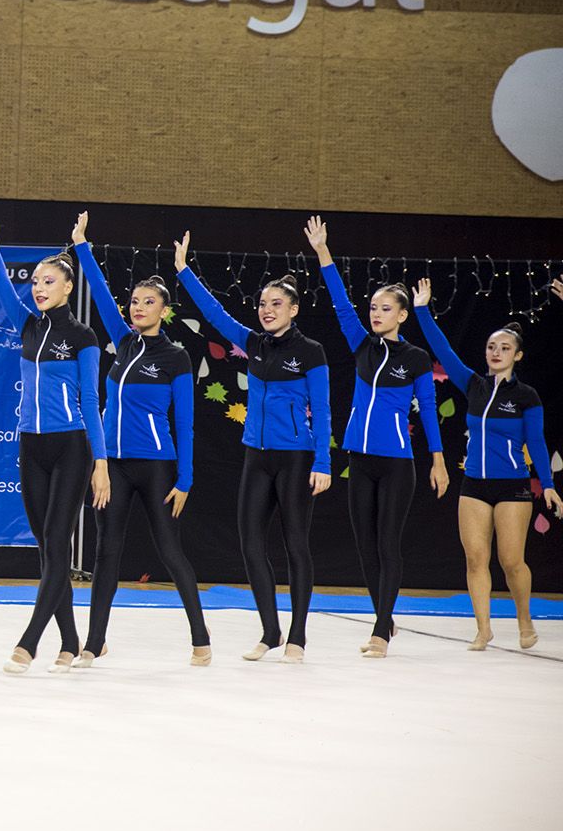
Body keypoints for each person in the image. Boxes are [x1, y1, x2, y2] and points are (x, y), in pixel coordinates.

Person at [0, 179, 108, 674]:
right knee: (45, 547)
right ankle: (71, 640)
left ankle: (29, 641)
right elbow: (0, 277)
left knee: (57, 539)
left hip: (72, 447)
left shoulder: (83, 336)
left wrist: (101, 462)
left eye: (49, 282)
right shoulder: (27, 325)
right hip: (32, 445)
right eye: (37, 282)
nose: (39, 288)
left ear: (68, 287)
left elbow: (91, 401)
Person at [174, 232, 331, 663]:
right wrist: (184, 270)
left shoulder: (311, 352)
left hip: (297, 458)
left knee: (296, 544)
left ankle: (297, 635)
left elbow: (323, 409)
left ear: (294, 310)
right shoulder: (254, 343)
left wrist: (324, 462)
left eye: (276, 304)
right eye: (263, 304)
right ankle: (270, 630)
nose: (267, 310)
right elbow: (214, 313)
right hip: (256, 457)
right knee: (249, 544)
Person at [71, 214, 210, 666]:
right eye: (135, 301)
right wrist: (82, 246)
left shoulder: (176, 357)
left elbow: (185, 423)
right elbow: (101, 293)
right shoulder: (123, 343)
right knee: (105, 552)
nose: (137, 307)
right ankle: (94, 642)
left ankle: (200, 638)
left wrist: (185, 480)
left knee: (170, 551)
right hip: (112, 466)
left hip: (155, 466)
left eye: (148, 302)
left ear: (164, 310)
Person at [305, 216, 448, 657]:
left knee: (388, 543)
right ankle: (384, 617)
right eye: (373, 308)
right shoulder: (362, 345)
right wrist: (324, 252)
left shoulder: (417, 358)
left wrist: (438, 460)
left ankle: (381, 630)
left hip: (396, 465)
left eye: (385, 309)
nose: (375, 313)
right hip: (359, 459)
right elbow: (341, 304)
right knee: (365, 547)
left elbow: (427, 413)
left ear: (403, 315)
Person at [412, 279, 561, 650]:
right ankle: (483, 629)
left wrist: (549, 484)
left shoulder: (527, 397)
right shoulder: (474, 385)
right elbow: (443, 351)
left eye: (504, 348)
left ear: (518, 355)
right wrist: (420, 310)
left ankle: (525, 621)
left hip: (512, 486)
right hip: (474, 486)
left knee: (512, 561)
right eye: (492, 347)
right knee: (476, 559)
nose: (496, 352)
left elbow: (537, 443)